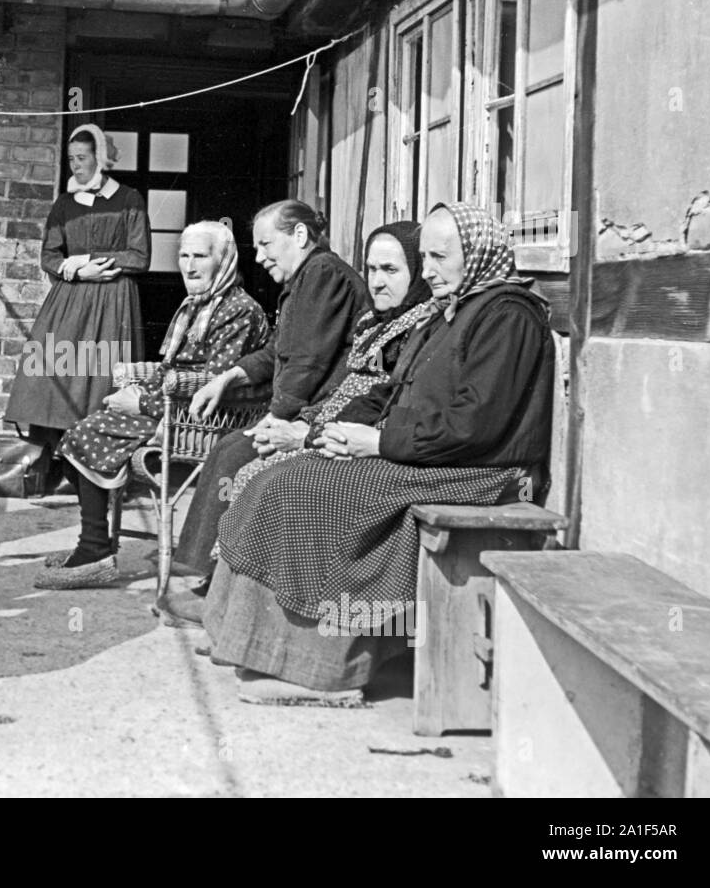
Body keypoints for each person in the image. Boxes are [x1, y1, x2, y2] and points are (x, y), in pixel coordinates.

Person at [204, 203, 555, 705]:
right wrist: (339, 431)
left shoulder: (507, 317)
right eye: (426, 257)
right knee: (285, 473)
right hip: (437, 456)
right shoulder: (453, 310)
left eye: (440, 256)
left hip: (483, 471)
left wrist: (379, 443)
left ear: (476, 254)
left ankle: (322, 670)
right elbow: (392, 392)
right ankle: (249, 642)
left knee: (308, 492)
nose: (428, 269)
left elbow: (474, 425)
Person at [156, 199, 370, 627]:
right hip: (312, 406)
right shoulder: (307, 277)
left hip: (335, 408)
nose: (258, 256)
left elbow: (305, 362)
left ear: (300, 237)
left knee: (238, 453)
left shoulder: (322, 275)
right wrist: (229, 377)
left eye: (266, 244)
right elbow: (278, 351)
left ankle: (215, 590)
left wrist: (279, 418)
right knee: (231, 450)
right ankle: (210, 582)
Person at [32, 221, 271, 590]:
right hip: (176, 408)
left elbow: (211, 385)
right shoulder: (198, 305)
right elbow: (174, 367)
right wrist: (133, 385)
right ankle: (94, 544)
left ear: (223, 260)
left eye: (201, 256)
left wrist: (140, 402)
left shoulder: (238, 310)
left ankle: (94, 549)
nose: (189, 266)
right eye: (184, 255)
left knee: (87, 433)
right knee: (84, 430)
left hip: (207, 422)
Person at [224, 220, 433, 504]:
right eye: (371, 269)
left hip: (361, 444)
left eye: (390, 270)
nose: (377, 282)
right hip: (330, 428)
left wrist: (307, 433)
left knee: (261, 478)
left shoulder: (420, 327)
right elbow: (354, 386)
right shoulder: (376, 324)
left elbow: (380, 400)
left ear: (417, 273)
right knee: (246, 464)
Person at [4, 123, 150, 449]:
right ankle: (53, 456)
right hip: (70, 298)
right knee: (50, 372)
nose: (76, 165)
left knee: (101, 377)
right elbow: (49, 255)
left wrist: (86, 259)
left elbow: (139, 258)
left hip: (113, 298)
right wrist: (76, 271)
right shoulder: (65, 203)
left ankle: (100, 460)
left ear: (100, 158)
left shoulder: (129, 199)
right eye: (71, 159)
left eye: (82, 158)